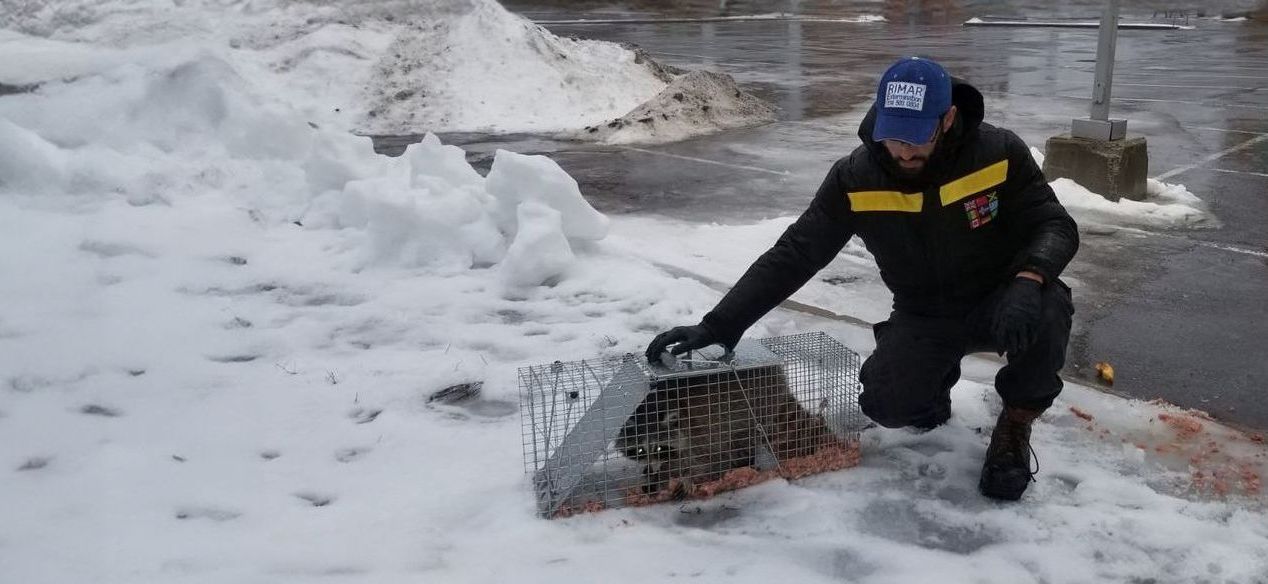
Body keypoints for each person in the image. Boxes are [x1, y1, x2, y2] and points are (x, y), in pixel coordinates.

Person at [645, 57, 1078, 501]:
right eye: (893, 138)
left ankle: (1015, 424)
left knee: (1048, 311)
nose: (904, 152)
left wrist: (1030, 277)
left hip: (1004, 297)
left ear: (947, 119)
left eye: (917, 138)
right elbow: (795, 254)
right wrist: (720, 324)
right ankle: (933, 382)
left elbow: (1055, 225)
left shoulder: (998, 152)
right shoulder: (855, 177)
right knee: (889, 407)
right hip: (925, 313)